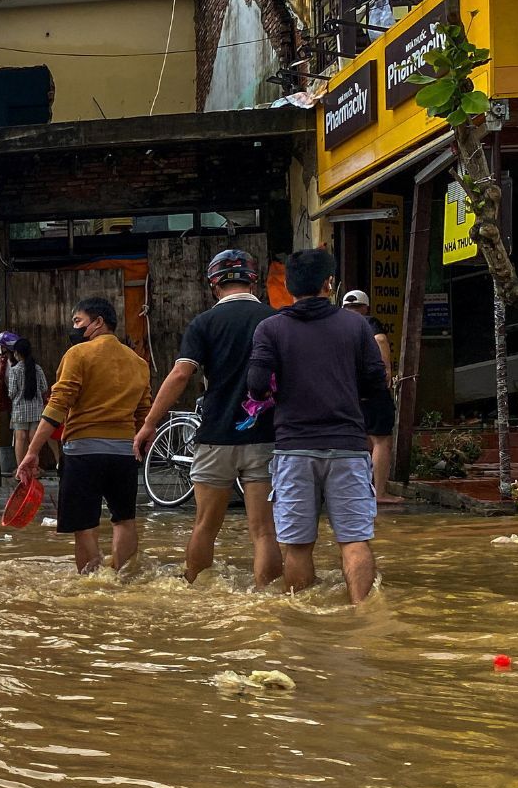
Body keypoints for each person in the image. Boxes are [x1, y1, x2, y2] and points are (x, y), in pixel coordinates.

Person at [247, 249, 389, 604]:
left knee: (296, 547)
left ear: (289, 286)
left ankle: (302, 625)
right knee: (354, 540)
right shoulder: (356, 325)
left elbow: (256, 385)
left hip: (294, 448)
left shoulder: (271, 328)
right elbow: (376, 382)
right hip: (348, 447)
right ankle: (362, 617)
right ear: (329, 283)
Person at [134, 250, 282, 588]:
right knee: (263, 530)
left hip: (215, 436)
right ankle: (268, 601)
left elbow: (180, 375)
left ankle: (196, 594)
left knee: (205, 525)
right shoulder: (273, 321)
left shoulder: (204, 323)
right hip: (265, 436)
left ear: (214, 285)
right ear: (253, 281)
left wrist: (149, 423)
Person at [15, 297, 152, 573]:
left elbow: (56, 407)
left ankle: (92, 586)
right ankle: (123, 582)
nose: (75, 328)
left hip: (83, 455)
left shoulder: (78, 355)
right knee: (124, 520)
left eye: (78, 321)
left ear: (98, 322)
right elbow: (144, 415)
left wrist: (32, 452)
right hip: (123, 455)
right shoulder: (138, 363)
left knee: (85, 526)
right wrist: (140, 448)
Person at [341, 289, 403, 504]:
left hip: (347, 391)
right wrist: (387, 370)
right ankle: (380, 492)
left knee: (361, 440)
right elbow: (381, 340)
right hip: (372, 390)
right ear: (365, 307)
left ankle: (358, 490)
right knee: (381, 440)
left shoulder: (337, 324)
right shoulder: (368, 322)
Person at [2, 332, 49, 477]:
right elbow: (44, 388)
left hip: (19, 411)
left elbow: (11, 393)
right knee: (34, 439)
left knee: (20, 439)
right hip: (36, 410)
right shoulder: (38, 368)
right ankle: (34, 469)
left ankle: (20, 469)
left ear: (17, 353)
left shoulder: (15, 371)